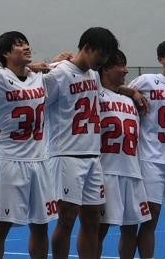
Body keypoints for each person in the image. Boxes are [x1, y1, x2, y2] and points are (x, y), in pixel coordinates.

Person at [44, 27, 117, 259]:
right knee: (67, 218)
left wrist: (129, 91)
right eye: (100, 54)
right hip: (66, 153)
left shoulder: (94, 75)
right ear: (87, 47)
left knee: (93, 218)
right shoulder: (59, 73)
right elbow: (36, 101)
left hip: (92, 154)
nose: (103, 61)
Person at [0, 31, 56, 259]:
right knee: (2, 225)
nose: (26, 47)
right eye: (18, 45)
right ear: (6, 53)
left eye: (26, 43)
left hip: (40, 158)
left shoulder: (39, 76)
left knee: (41, 225)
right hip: (11, 159)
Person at [96, 50, 150, 259]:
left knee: (131, 228)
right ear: (105, 68)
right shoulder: (95, 94)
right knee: (99, 229)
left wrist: (131, 92)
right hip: (106, 171)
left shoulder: (130, 100)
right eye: (120, 65)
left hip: (132, 171)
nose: (126, 70)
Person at [130, 37, 165, 259]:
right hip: (152, 157)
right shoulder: (147, 81)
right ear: (161, 58)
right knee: (150, 215)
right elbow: (117, 90)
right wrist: (131, 92)